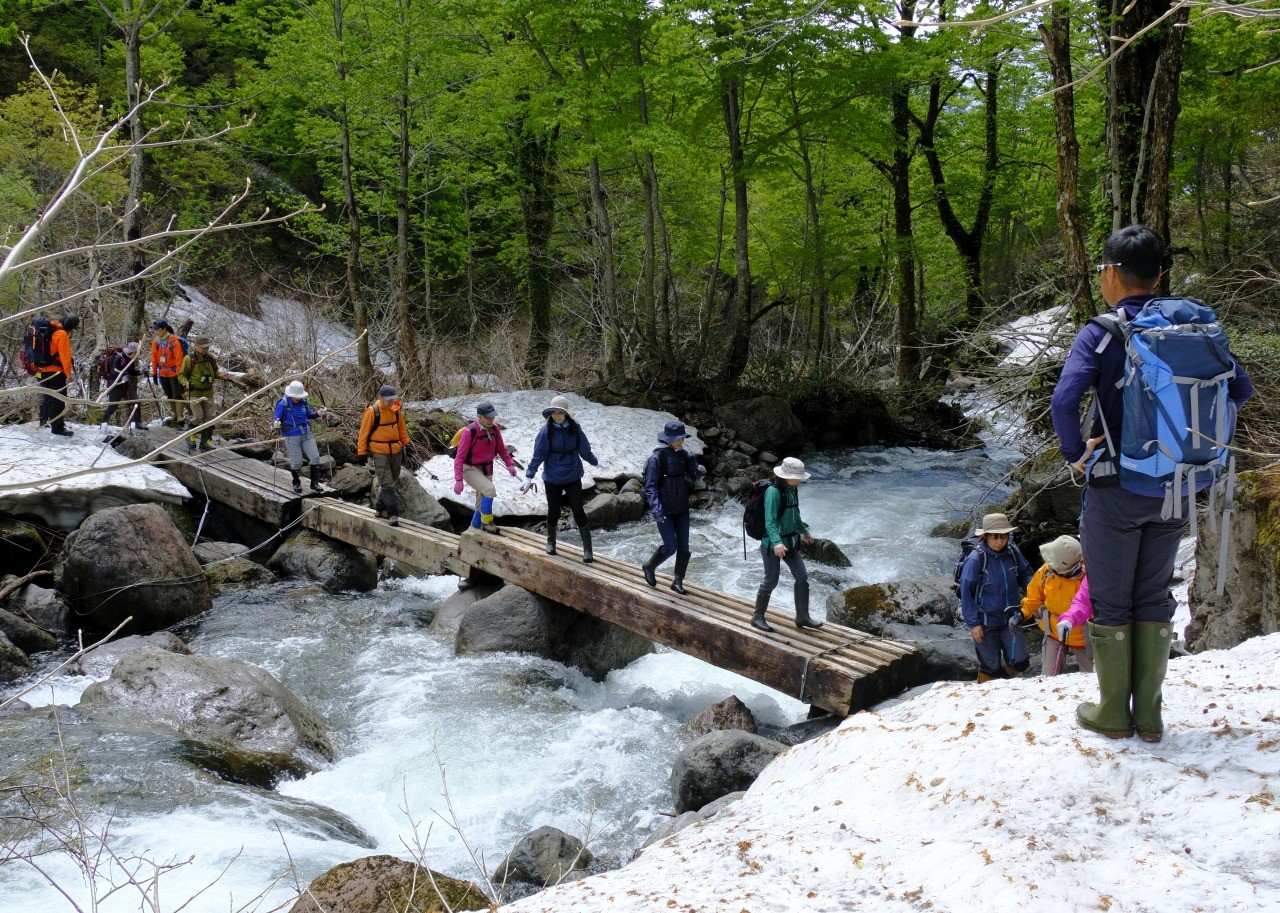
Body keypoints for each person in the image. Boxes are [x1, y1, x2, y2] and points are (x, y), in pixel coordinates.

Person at [1050, 225, 1254, 741]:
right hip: (1179, 488)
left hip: (1117, 489)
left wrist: (1077, 455)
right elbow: (1240, 390)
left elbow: (1063, 402)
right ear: (1159, 275)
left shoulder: (1101, 332)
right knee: (1154, 596)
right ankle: (1152, 716)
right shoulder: (1194, 328)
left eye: (1101, 270)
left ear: (1112, 273)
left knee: (1113, 600)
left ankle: (1113, 712)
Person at [521, 395, 600, 562]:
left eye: (560, 413)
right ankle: (551, 542)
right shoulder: (546, 432)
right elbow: (538, 456)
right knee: (554, 512)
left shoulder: (575, 428)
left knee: (578, 511)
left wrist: (595, 463)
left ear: (566, 414)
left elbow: (584, 450)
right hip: (552, 478)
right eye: (554, 413)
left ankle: (588, 549)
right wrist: (529, 476)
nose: (556, 416)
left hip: (572, 475)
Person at [958, 512, 1033, 682]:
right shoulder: (976, 559)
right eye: (995, 537)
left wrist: (1034, 595)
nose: (1000, 541)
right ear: (985, 537)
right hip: (985, 622)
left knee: (1020, 662)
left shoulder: (1013, 552)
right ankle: (986, 696)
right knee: (991, 667)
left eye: (1004, 536)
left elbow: (1025, 574)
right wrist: (973, 624)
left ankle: (1007, 688)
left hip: (1011, 619)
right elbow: (966, 593)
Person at [752, 457, 823, 633]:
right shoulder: (773, 492)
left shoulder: (792, 489)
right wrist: (776, 542)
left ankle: (803, 617)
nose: (799, 480)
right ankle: (757, 617)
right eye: (796, 477)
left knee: (802, 576)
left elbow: (795, 514)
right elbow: (770, 521)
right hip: (772, 544)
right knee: (771, 581)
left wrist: (803, 530)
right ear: (785, 476)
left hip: (790, 542)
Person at [641, 421, 706, 595]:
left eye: (682, 438)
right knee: (670, 546)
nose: (680, 441)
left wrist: (699, 470)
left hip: (682, 507)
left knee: (684, 546)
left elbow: (694, 475)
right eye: (677, 439)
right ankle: (649, 566)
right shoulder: (656, 459)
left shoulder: (685, 455)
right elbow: (650, 487)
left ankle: (677, 581)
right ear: (667, 439)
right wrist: (656, 510)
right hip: (664, 509)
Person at [1015, 534, 1091, 677]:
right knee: (1049, 677)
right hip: (1054, 632)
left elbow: (1089, 607)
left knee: (1090, 679)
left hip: (1082, 637)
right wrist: (1023, 613)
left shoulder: (1087, 578)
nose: (1049, 562)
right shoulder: (1046, 571)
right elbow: (1034, 596)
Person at [453, 401, 517, 534]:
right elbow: (459, 458)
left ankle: (474, 528)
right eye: (488, 418)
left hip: (487, 468)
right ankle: (487, 522)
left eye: (492, 417)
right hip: (470, 469)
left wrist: (510, 464)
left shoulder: (495, 429)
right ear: (479, 416)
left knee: (481, 500)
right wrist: (458, 480)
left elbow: (501, 448)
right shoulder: (469, 432)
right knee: (489, 489)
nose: (491, 420)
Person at [357, 384, 411, 526]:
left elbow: (401, 429)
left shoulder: (396, 410)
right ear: (380, 398)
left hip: (396, 451)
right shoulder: (372, 412)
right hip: (379, 452)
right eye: (388, 399)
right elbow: (363, 433)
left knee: (391, 481)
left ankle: (379, 509)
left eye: (393, 399)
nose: (391, 402)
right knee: (387, 485)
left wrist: (407, 443)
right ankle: (392, 514)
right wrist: (361, 452)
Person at [273, 380, 327, 494]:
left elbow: (310, 414)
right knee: (297, 462)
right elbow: (276, 418)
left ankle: (314, 483)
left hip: (306, 434)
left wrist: (319, 413)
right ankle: (296, 482)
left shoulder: (304, 402)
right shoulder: (283, 403)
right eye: (295, 396)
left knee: (315, 457)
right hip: (291, 435)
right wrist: (276, 423)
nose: (297, 398)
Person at [34, 315, 79, 437]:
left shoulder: (46, 330)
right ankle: (57, 427)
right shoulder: (62, 334)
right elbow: (65, 356)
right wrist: (68, 374)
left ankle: (43, 421)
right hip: (56, 371)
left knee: (47, 396)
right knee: (58, 399)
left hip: (41, 370)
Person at [178, 336, 222, 451]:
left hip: (208, 392)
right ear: (196, 346)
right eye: (203, 348)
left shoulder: (211, 358)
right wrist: (185, 383)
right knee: (197, 416)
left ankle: (205, 441)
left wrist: (222, 376)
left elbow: (216, 371)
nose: (206, 350)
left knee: (211, 418)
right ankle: (190, 435)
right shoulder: (189, 359)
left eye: (207, 347)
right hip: (194, 392)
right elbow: (181, 375)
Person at [100, 341, 141, 439]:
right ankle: (104, 423)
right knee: (113, 406)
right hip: (115, 384)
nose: (137, 355)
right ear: (133, 352)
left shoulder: (131, 359)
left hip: (126, 384)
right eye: (136, 352)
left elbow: (132, 372)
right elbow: (113, 372)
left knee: (135, 402)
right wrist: (122, 376)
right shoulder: (119, 358)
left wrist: (141, 371)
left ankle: (138, 423)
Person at [149, 320, 186, 426]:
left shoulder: (174, 341)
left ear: (164, 329)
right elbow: (154, 358)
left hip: (174, 373)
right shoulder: (156, 342)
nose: (155, 331)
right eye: (154, 329)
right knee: (169, 395)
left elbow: (179, 360)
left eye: (157, 329)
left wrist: (180, 375)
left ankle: (180, 418)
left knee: (177, 395)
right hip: (163, 373)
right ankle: (175, 415)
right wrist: (154, 372)